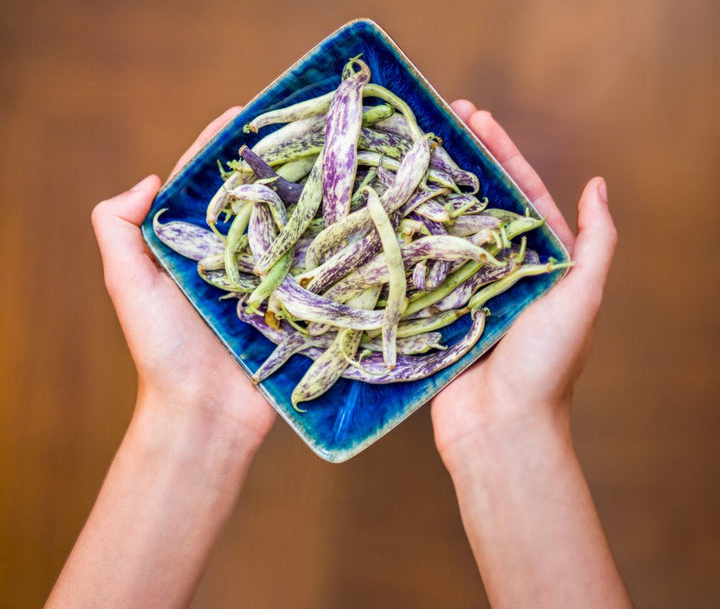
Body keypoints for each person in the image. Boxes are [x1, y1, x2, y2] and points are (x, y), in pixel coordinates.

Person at [45, 101, 633, 609]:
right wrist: (190, 407)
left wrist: (513, 425)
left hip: (384, 287)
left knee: (400, 267)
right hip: (338, 296)